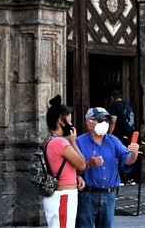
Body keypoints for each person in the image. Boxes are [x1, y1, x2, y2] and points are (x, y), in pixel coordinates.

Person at [76, 107, 140, 227]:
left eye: (106, 120)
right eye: (100, 120)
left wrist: (134, 153)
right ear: (88, 123)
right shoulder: (79, 142)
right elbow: (72, 170)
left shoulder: (113, 141)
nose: (104, 124)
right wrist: (89, 164)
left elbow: (127, 160)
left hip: (108, 195)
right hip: (88, 195)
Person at [42, 95, 86, 228]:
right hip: (63, 196)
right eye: (69, 119)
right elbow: (82, 164)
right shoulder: (60, 142)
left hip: (60, 194)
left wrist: (76, 176)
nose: (71, 123)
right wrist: (73, 142)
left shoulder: (49, 140)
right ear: (61, 120)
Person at [107, 89, 137, 186]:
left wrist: (109, 134)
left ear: (112, 98)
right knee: (130, 154)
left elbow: (113, 121)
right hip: (131, 134)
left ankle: (120, 179)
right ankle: (130, 178)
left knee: (118, 155)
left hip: (119, 134)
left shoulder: (114, 106)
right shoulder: (128, 105)